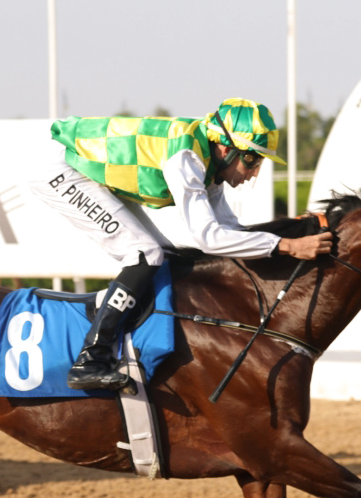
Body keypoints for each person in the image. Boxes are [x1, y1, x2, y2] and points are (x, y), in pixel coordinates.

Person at [29, 97, 334, 393]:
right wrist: (289, 246)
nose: (254, 171)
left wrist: (290, 234)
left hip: (88, 170)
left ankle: (136, 343)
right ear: (226, 148)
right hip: (63, 170)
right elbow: (209, 238)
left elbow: (231, 232)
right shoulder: (186, 159)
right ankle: (90, 359)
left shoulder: (209, 163)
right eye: (252, 159)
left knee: (163, 253)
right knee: (144, 254)